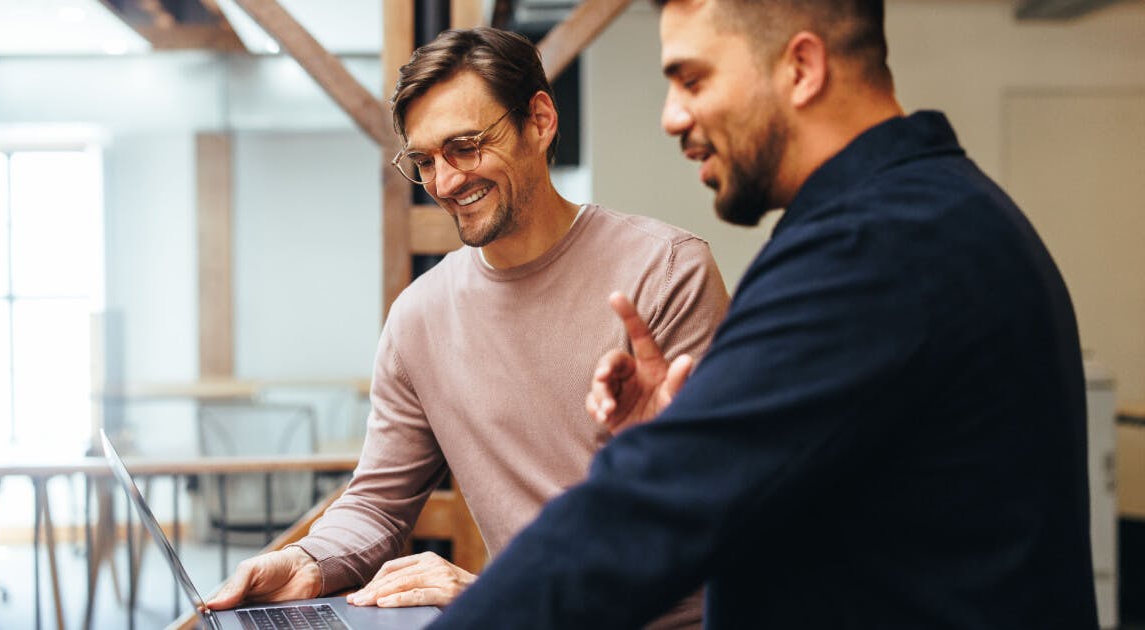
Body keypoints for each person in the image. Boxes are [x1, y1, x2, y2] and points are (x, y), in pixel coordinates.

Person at [430, 0, 1099, 628]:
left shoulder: (875, 245)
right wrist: (688, 432)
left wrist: (678, 458)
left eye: (692, 80)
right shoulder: (937, 210)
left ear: (801, 68)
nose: (672, 117)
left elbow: (642, 515)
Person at [205, 27, 727, 629]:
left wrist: (492, 594)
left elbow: (700, 516)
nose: (446, 182)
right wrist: (305, 561)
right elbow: (377, 503)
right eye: (424, 161)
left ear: (540, 120)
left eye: (466, 147)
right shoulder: (419, 316)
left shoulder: (665, 272)